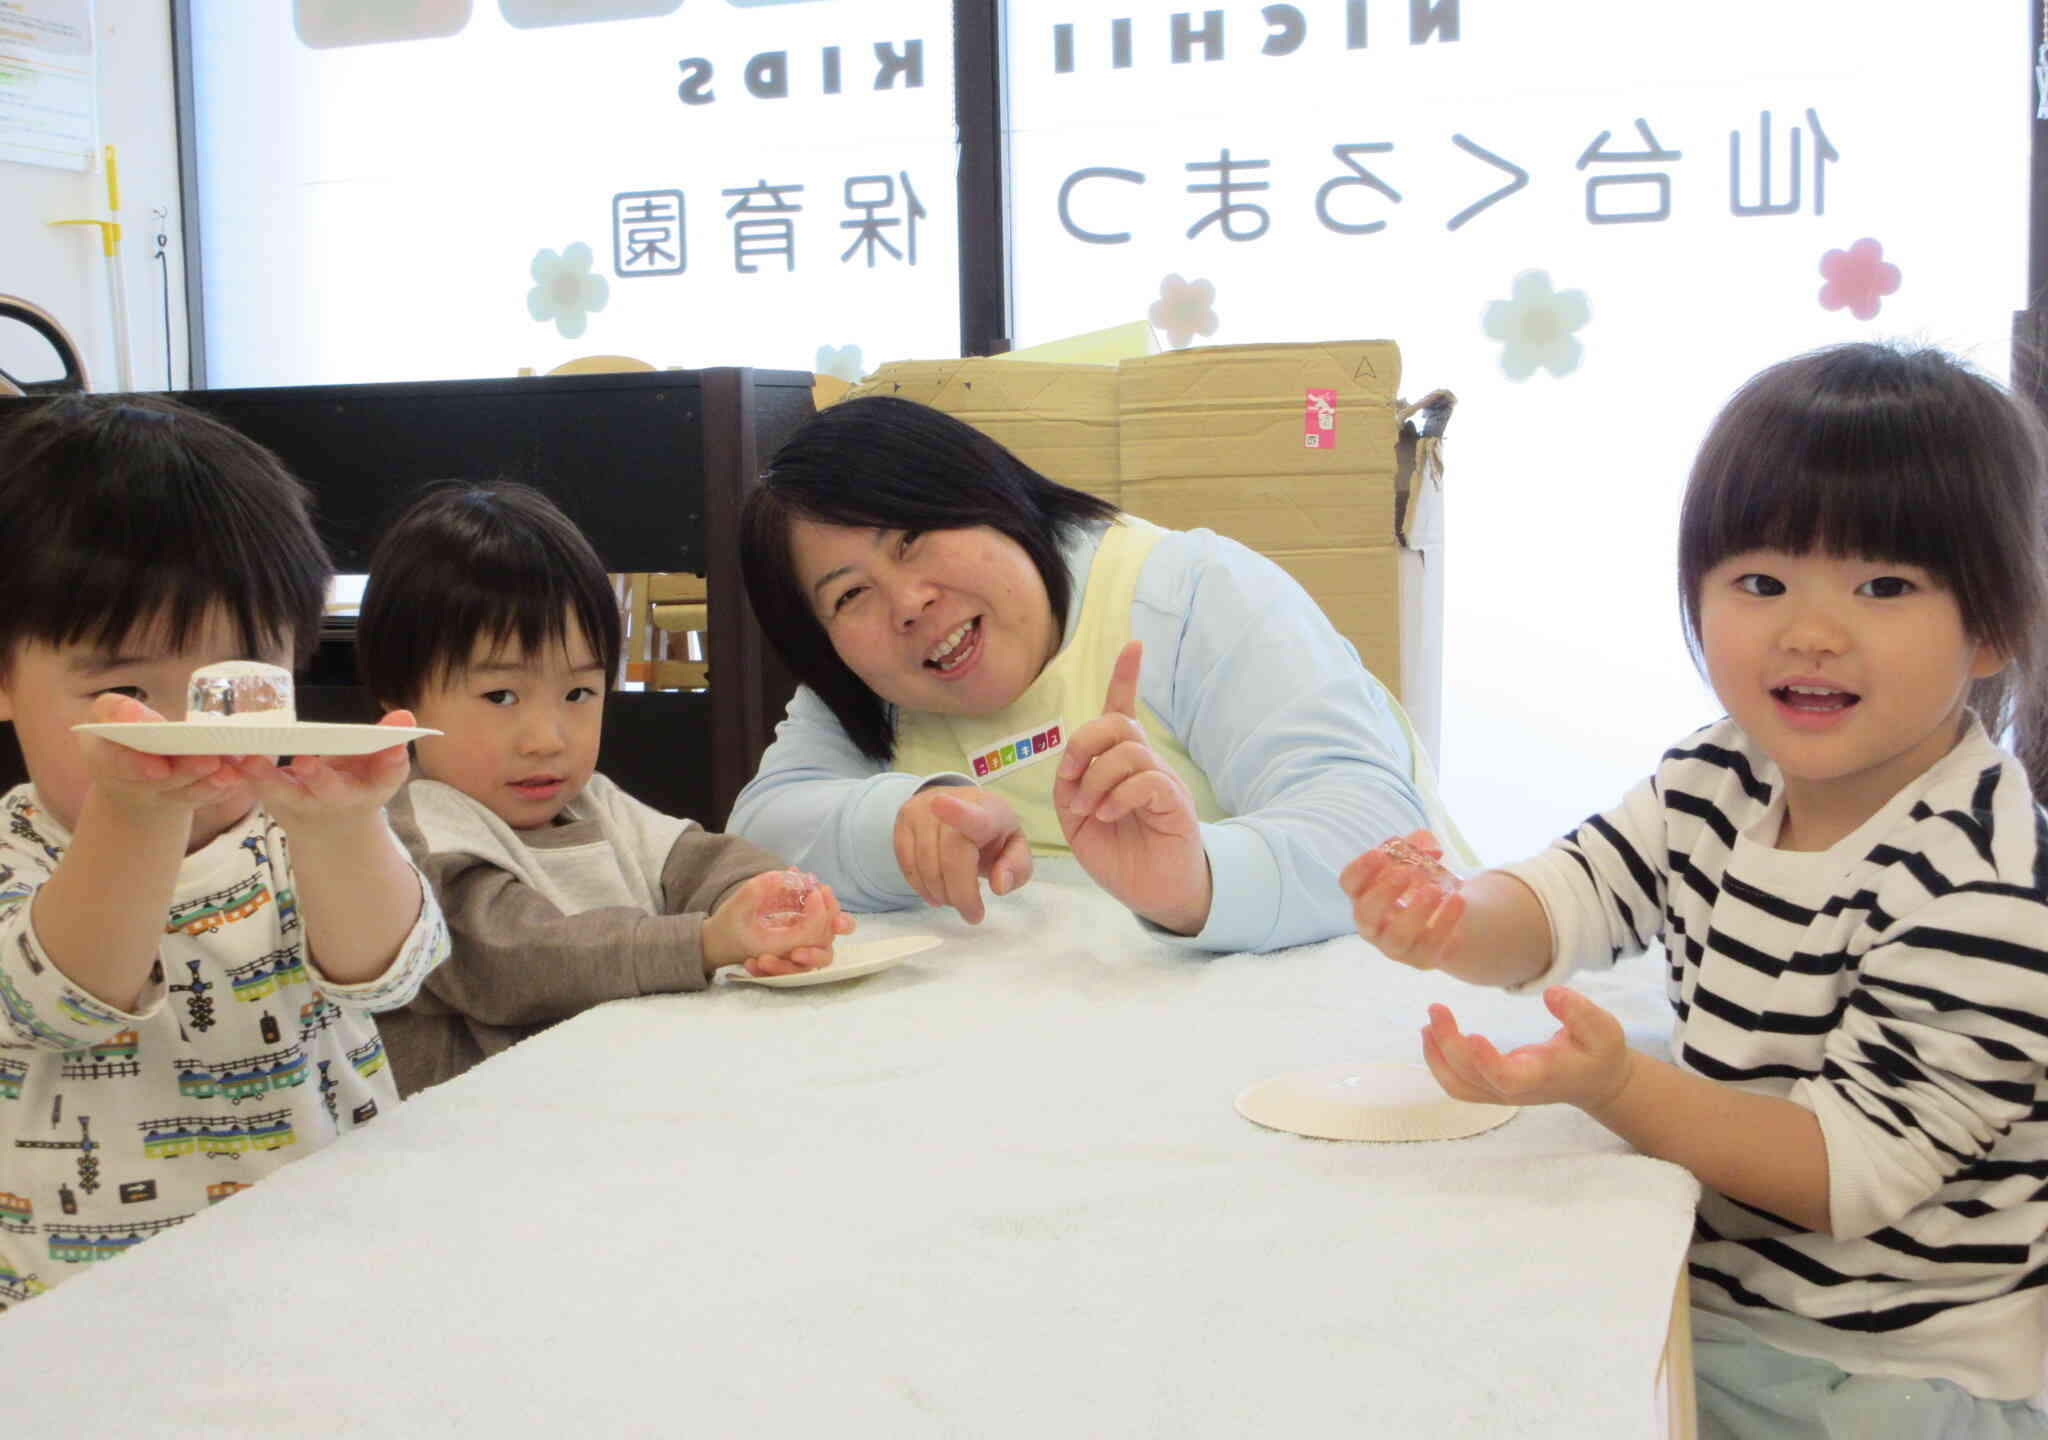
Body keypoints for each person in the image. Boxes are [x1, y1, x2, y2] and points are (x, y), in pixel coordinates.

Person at [1344, 343, 2048, 1437]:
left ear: (1994, 628)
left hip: (1892, 1371)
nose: (1808, 631)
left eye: (1882, 585)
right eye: (1759, 582)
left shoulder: (1983, 890)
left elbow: (1840, 1171)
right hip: (1729, 1305)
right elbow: (1565, 900)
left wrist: (1619, 1087)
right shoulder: (1716, 775)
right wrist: (1447, 919)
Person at [0, 393, 448, 1313]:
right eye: (127, 686)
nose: (181, 734)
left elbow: (387, 976)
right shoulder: (20, 853)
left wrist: (345, 829)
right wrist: (134, 815)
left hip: (323, 1269)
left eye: (231, 687)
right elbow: (64, 1001)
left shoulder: (295, 821)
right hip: (79, 1308)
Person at [729, 394, 1460, 955]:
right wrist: (900, 825)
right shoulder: (866, 684)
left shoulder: (1192, 592)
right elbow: (760, 835)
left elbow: (1377, 828)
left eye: (915, 539)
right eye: (849, 595)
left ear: (991, 497)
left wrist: (1196, 880)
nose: (908, 604)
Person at [354, 480, 853, 1098]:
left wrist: (774, 899)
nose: (546, 738)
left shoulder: (588, 801)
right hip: (479, 1140)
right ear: (399, 698)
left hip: (614, 1101)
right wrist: (704, 942)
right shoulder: (407, 829)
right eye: (500, 696)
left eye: (578, 694)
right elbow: (512, 957)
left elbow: (698, 859)